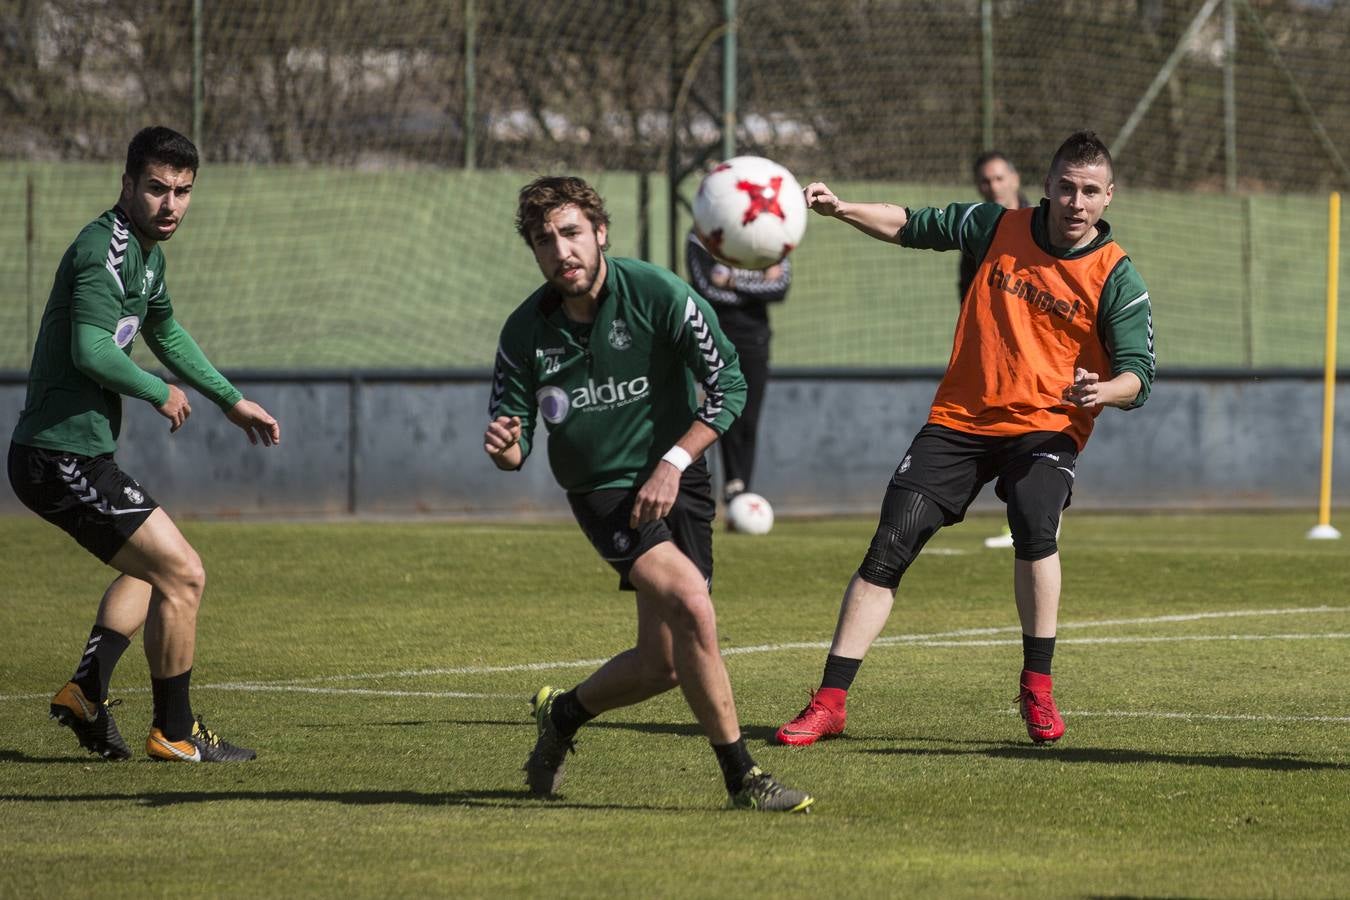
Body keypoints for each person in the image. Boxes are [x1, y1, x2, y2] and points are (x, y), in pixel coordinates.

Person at [774, 131, 1155, 747]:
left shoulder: (1117, 276)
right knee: (891, 540)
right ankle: (830, 701)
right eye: (1065, 187)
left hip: (1046, 427)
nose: (1075, 201)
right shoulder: (995, 227)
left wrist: (1102, 391)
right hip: (960, 419)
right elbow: (909, 224)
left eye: (1089, 191)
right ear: (1049, 185)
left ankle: (1037, 686)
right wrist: (842, 209)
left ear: (1108, 196)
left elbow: (1140, 375)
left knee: (1035, 518)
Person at [485, 176, 813, 812]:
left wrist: (672, 460)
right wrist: (507, 449)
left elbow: (729, 386)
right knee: (692, 604)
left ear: (600, 233)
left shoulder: (656, 291)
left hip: (678, 476)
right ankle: (744, 779)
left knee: (663, 663)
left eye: (572, 232)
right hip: (603, 490)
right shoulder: (524, 331)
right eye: (544, 240)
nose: (561, 250)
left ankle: (563, 715)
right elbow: (514, 437)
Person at [8, 126, 280, 763]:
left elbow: (167, 331)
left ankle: (87, 690)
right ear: (127, 185)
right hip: (57, 456)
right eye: (157, 188)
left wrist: (230, 399)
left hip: (78, 455)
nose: (171, 204)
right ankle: (176, 732)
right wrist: (158, 392)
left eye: (183, 191)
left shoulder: (148, 255)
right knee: (183, 572)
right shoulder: (101, 248)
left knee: (158, 569)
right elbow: (92, 348)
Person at [684, 229, 791, 507]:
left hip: (756, 338)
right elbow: (705, 289)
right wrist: (755, 287)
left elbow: (780, 289)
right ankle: (733, 487)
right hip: (718, 336)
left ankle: (743, 492)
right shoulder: (702, 237)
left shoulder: (772, 236)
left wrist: (731, 282)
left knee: (751, 417)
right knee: (727, 410)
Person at [962, 151, 1032, 549]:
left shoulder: (1045, 224)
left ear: (1015, 179)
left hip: (1036, 355)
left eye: (999, 178)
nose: (993, 186)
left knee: (1033, 434)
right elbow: (969, 295)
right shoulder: (978, 229)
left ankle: (1034, 519)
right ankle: (1025, 520)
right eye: (985, 181)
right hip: (991, 356)